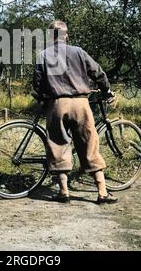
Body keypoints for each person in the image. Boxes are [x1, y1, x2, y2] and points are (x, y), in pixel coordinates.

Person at [33, 20, 118, 205]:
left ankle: (64, 191)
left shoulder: (43, 55)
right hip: (81, 104)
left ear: (50, 37)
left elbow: (37, 85)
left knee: (58, 145)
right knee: (89, 143)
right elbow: (97, 72)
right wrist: (107, 90)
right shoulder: (78, 51)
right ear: (67, 36)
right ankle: (102, 192)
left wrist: (44, 100)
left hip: (57, 104)